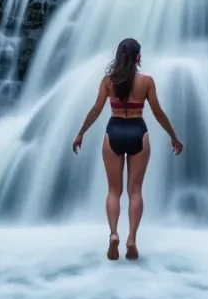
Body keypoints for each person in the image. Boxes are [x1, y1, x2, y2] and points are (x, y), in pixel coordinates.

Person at [72, 37, 183, 261]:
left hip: (114, 131)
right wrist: (174, 137)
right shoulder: (147, 81)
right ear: (138, 57)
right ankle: (132, 238)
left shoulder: (107, 81)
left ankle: (114, 234)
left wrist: (81, 132)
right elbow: (158, 113)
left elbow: (95, 109)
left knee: (114, 191)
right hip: (138, 132)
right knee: (135, 191)